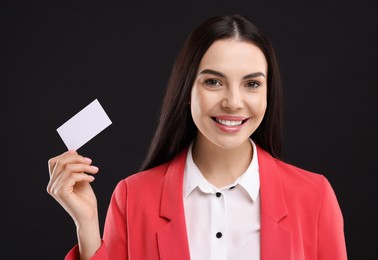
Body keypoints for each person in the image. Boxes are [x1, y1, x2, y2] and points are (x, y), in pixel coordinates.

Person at [47, 14, 348, 260]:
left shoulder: (314, 197)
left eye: (251, 84)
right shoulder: (133, 197)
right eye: (214, 82)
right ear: (187, 91)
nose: (233, 102)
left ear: (269, 94)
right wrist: (86, 225)